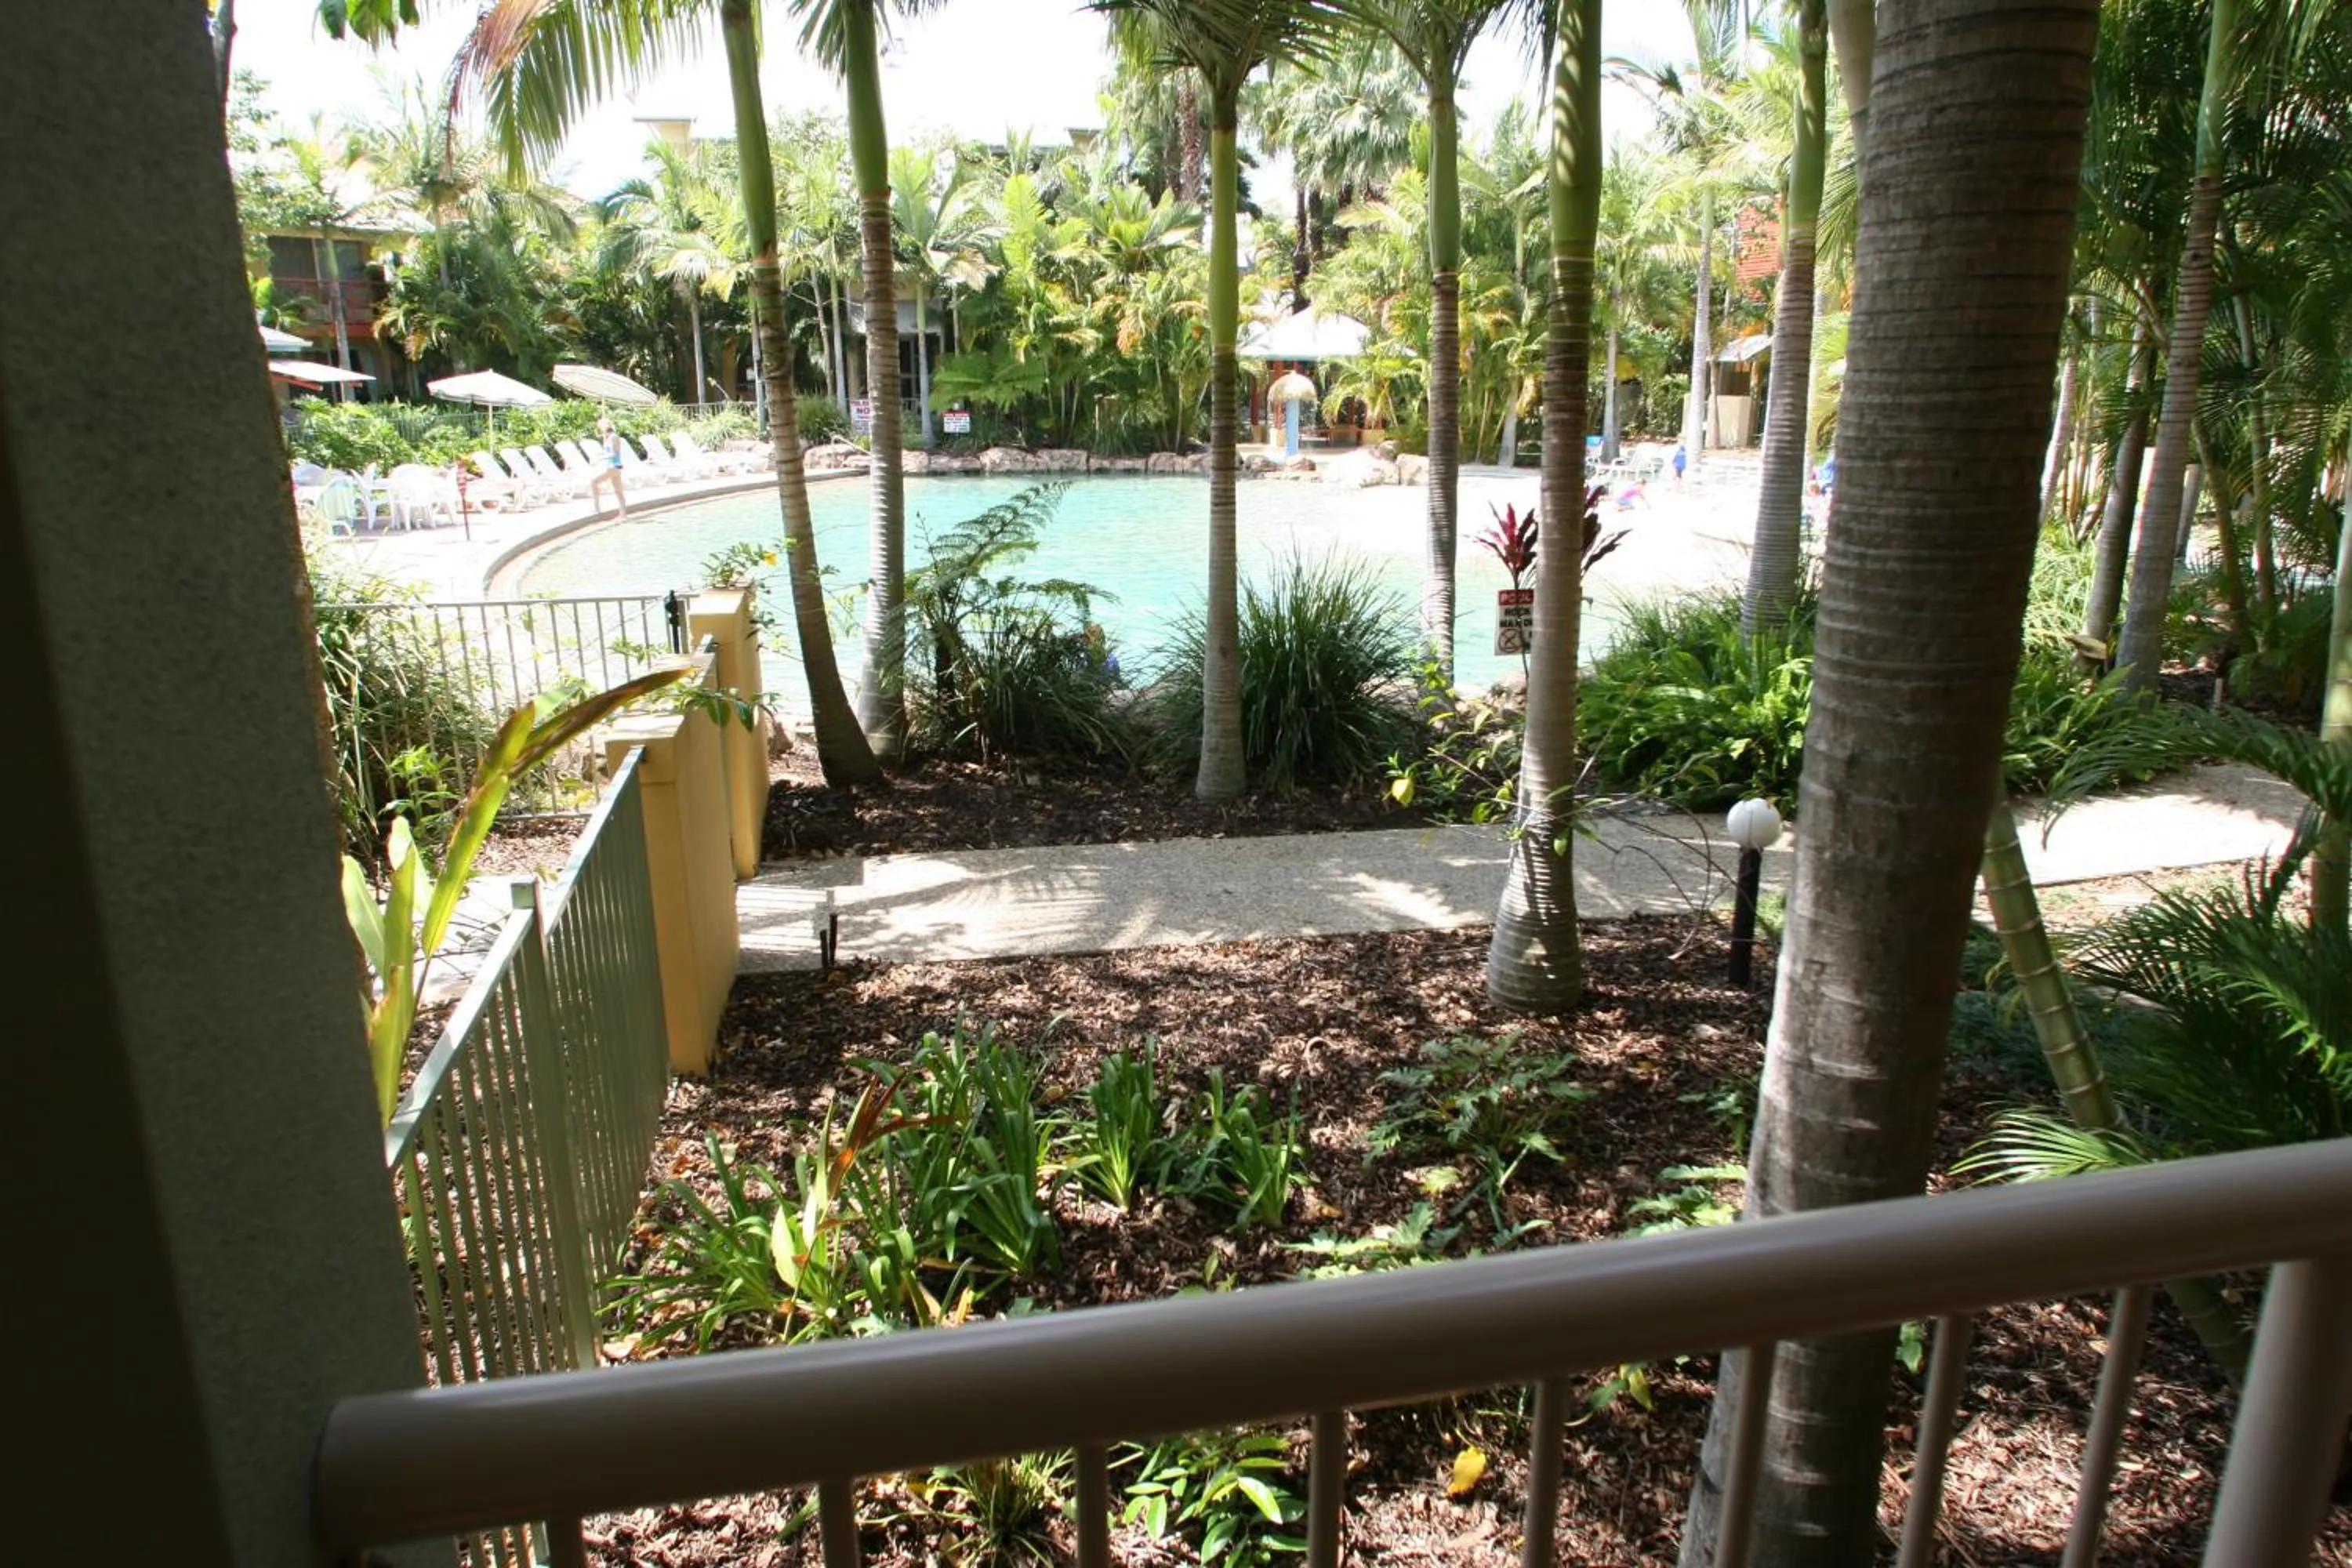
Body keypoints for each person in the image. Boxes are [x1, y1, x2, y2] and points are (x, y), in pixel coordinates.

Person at [590, 416, 630, 521]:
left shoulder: (614, 437)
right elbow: (607, 452)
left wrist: (599, 459)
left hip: (614, 466)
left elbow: (614, 453)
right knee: (618, 491)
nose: (600, 429)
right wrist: (599, 455)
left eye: (601, 427)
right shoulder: (608, 437)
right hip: (614, 467)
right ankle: (623, 515)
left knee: (594, 482)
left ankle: (597, 509)